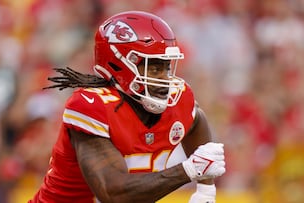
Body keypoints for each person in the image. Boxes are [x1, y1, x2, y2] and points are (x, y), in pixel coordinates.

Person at [29, 11, 225, 203]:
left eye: (167, 67)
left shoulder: (179, 99)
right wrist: (189, 170)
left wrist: (205, 189)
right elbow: (113, 193)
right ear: (119, 64)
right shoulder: (92, 106)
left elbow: (195, 119)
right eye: (154, 68)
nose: (164, 79)